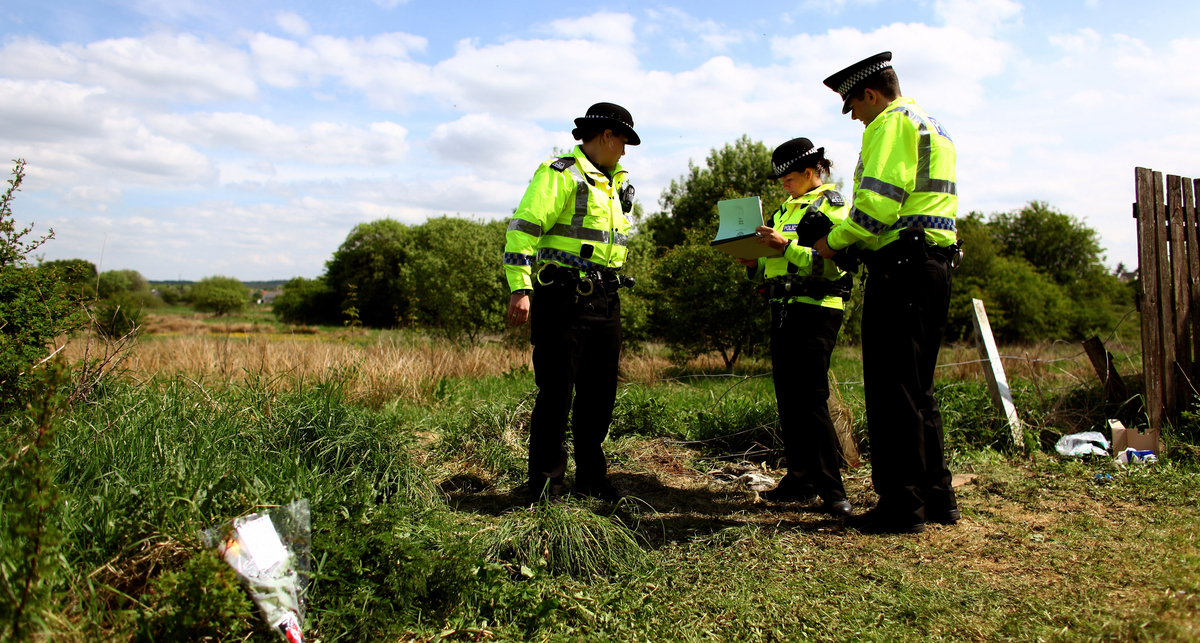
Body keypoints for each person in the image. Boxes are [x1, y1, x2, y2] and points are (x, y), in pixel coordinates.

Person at [814, 52, 962, 534]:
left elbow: (877, 205)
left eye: (854, 106)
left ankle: (902, 506)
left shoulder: (889, 124)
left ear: (870, 95)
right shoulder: (931, 124)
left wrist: (833, 241)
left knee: (891, 390)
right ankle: (938, 497)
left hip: (901, 272)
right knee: (918, 390)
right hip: (932, 265)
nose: (855, 117)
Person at [502, 103, 639, 502]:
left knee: (599, 397)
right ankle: (546, 488)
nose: (625, 152)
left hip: (606, 299)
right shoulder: (560, 173)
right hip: (562, 297)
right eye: (624, 141)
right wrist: (520, 288)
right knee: (556, 395)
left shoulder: (614, 184)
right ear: (607, 135)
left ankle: (592, 479)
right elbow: (523, 229)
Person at [737, 137, 854, 517]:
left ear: (810, 172)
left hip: (817, 308)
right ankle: (800, 478)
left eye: (788, 178)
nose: (782, 185)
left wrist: (784, 246)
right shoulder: (784, 208)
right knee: (789, 398)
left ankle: (832, 490)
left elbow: (836, 263)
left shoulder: (833, 206)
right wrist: (751, 259)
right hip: (783, 307)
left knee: (811, 398)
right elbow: (773, 260)